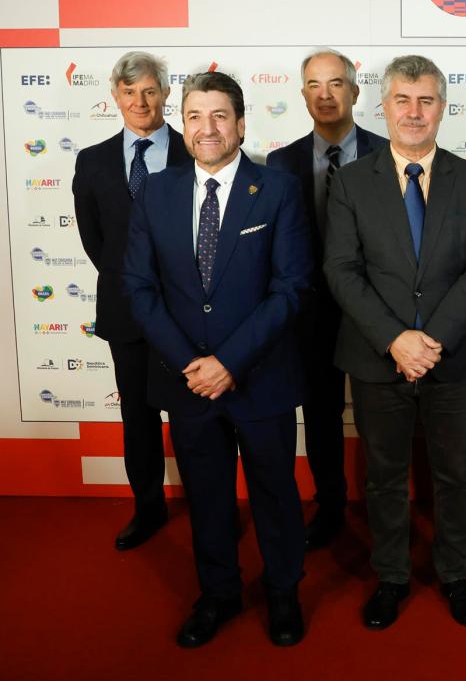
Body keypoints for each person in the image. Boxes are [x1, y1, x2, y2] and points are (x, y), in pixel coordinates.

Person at [123, 71, 313, 647]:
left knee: (275, 493)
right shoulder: (156, 192)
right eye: (195, 116)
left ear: (241, 122)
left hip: (261, 379)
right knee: (206, 495)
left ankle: (283, 593)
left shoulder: (276, 191)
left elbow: (291, 288)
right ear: (182, 123)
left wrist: (229, 361)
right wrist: (192, 364)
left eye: (219, 116)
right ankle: (219, 594)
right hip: (188, 384)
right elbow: (139, 288)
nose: (207, 129)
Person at [323, 55, 466, 630]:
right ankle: (392, 577)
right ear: (383, 106)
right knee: (384, 474)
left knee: (456, 472)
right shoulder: (351, 181)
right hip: (379, 358)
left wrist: (433, 342)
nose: (414, 112)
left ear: (443, 109)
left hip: (456, 358)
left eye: (426, 101)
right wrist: (397, 340)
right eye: (403, 100)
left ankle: (454, 574)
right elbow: (342, 270)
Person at [266, 48, 388, 550]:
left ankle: (385, 511)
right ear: (302, 95)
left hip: (376, 312)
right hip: (310, 316)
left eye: (336, 83)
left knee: (381, 417)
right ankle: (331, 505)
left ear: (355, 92)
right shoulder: (281, 163)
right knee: (319, 417)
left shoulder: (389, 152)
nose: (325, 94)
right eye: (314, 85)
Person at [73, 51, 190, 550]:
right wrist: (135, 287)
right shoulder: (93, 160)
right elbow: (94, 241)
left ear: (166, 93)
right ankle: (148, 508)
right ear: (114, 96)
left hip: (190, 313)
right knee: (137, 419)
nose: (139, 102)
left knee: (196, 418)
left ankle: (212, 506)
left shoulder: (197, 151)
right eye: (129, 92)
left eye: (149, 90)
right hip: (125, 312)